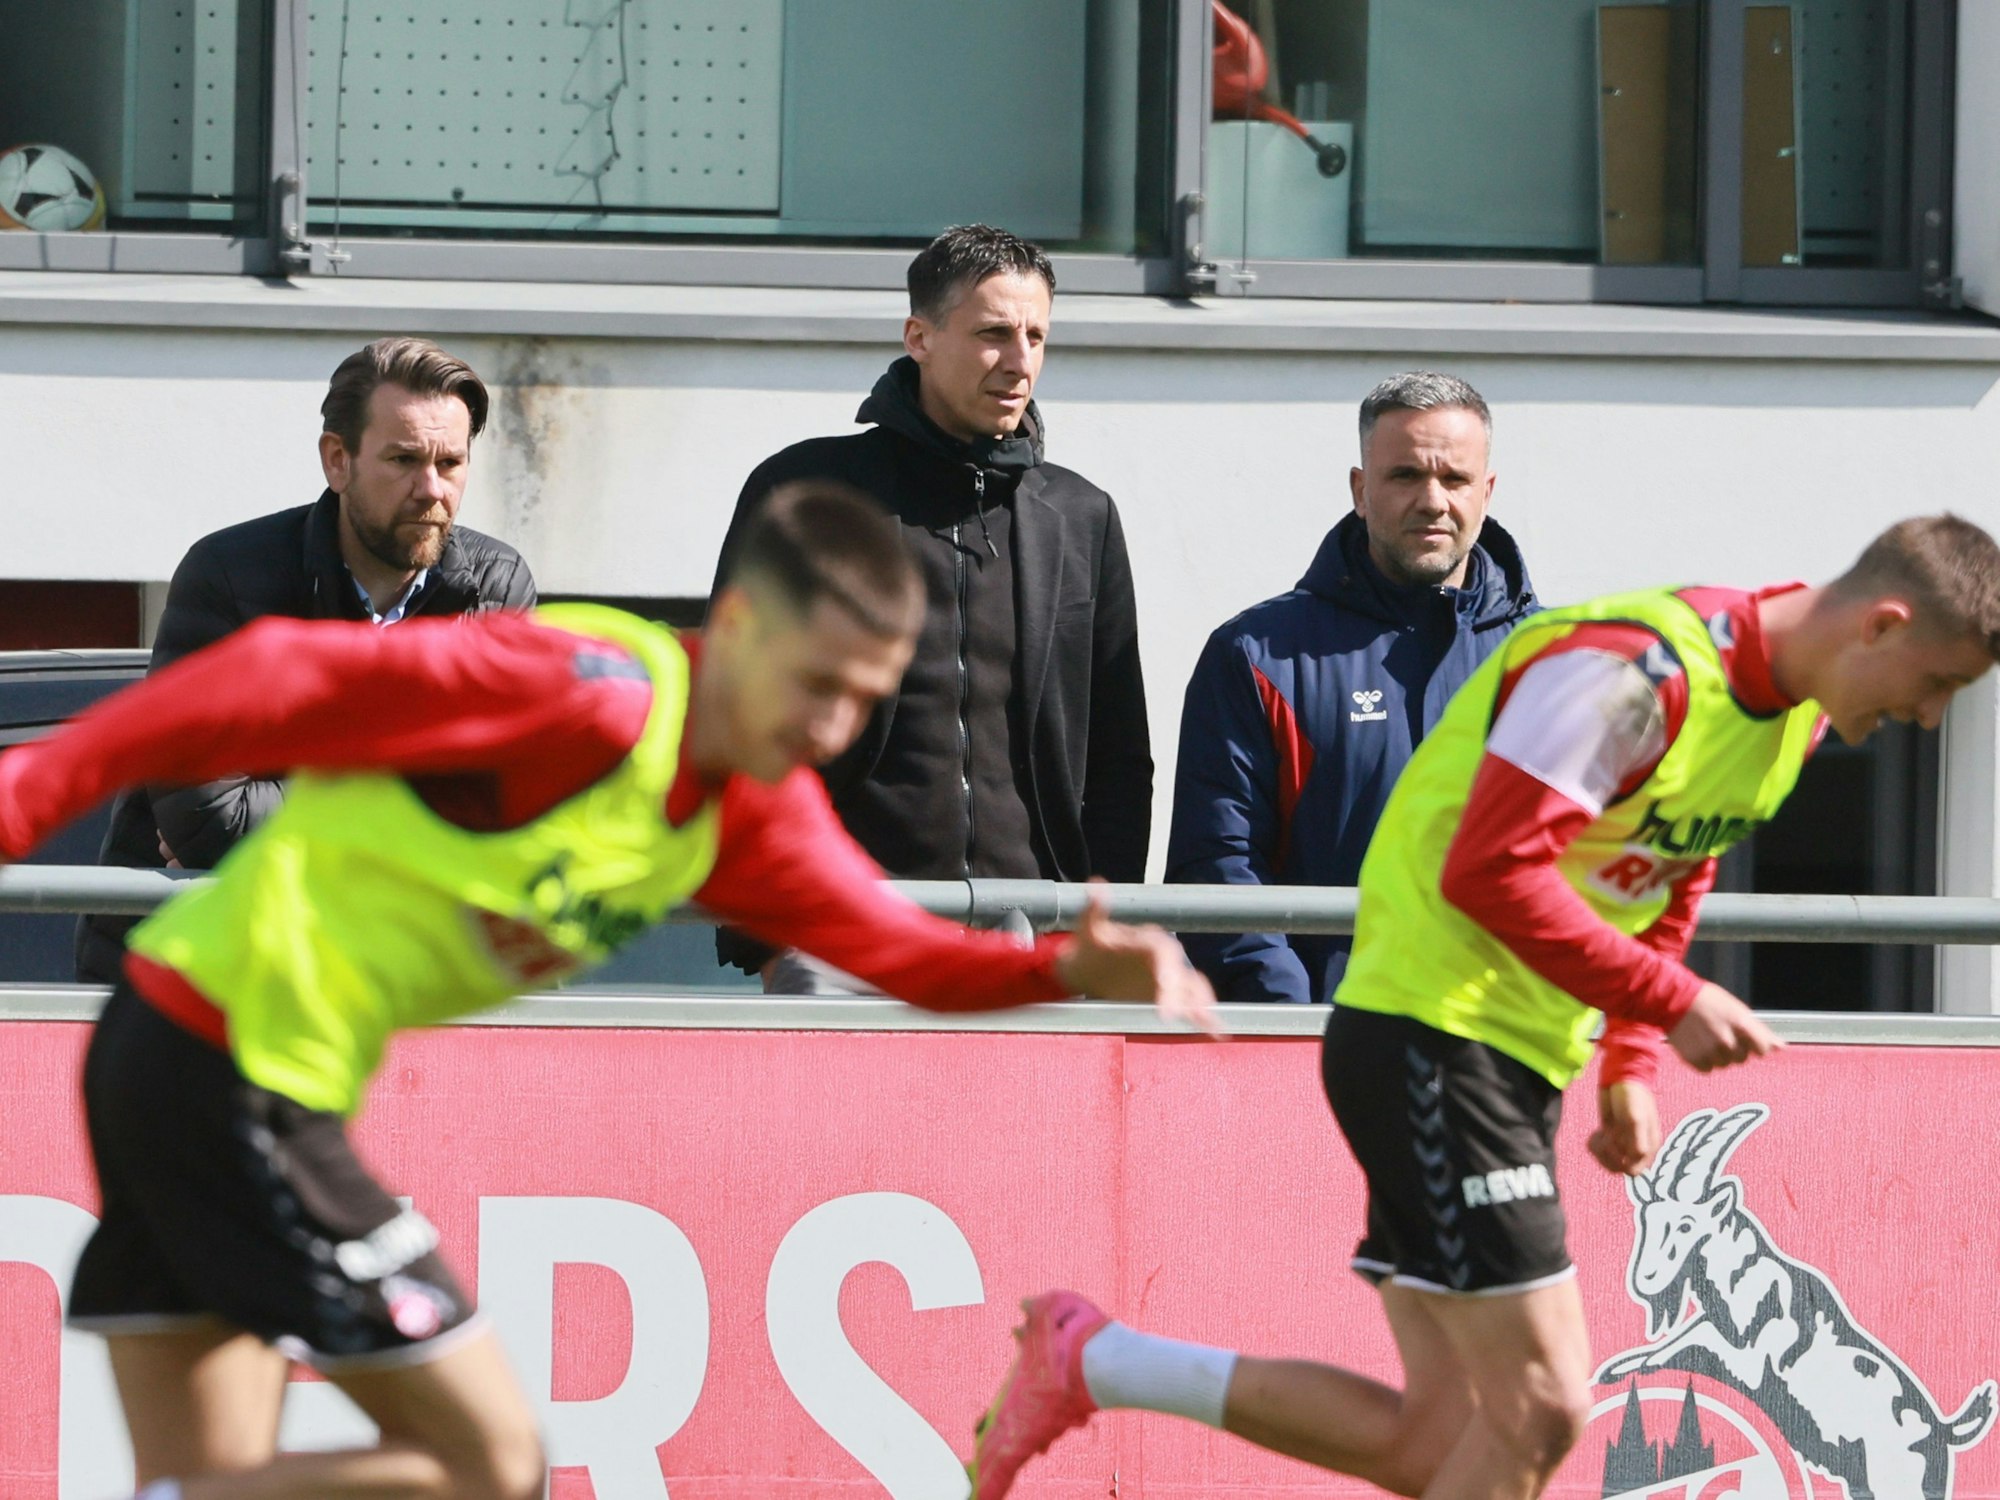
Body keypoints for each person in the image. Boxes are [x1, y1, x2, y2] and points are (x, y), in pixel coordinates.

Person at [0, 482, 1218, 1500]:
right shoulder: (581, 694)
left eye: (866, 695)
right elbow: (263, 674)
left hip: (186, 1053)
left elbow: (903, 956)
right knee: (495, 1463)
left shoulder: (754, 813)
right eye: (815, 683)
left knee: (217, 1472)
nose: (834, 726)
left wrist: (1061, 968)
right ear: (734, 627)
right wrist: (23, 804)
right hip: (230, 1069)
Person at [965, 513, 2000, 1500]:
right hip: (1433, 1035)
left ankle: (1095, 1360)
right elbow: (1488, 871)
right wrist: (1667, 997)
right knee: (1545, 1410)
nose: (1927, 716)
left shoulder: (1788, 721)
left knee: (1441, 1444)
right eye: (1939, 683)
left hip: (1500, 1058)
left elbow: (1674, 879)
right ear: (1882, 624)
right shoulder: (1632, 672)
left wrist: (1631, 1062)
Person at [710, 223, 1152, 991]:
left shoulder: (1083, 516)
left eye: (1037, 336)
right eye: (992, 334)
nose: (1020, 362)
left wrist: (1097, 922)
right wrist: (768, 929)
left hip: (1033, 931)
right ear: (919, 336)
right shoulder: (806, 493)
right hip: (842, 927)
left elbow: (1119, 753)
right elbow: (735, 716)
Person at [76, 335, 536, 984]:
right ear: (337, 460)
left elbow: (505, 809)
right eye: (404, 459)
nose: (431, 489)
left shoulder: (495, 587)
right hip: (197, 975)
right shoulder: (230, 577)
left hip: (386, 977)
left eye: (451, 463)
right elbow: (209, 816)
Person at [1167, 371, 1537, 1003]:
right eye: (1404, 476)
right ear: (1360, 490)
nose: (1432, 500)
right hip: (1319, 1045)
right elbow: (1220, 868)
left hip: (1506, 1050)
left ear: (1488, 491)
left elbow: (1601, 864)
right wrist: (1294, 1024)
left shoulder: (1557, 661)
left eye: (1455, 479)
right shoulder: (1258, 656)